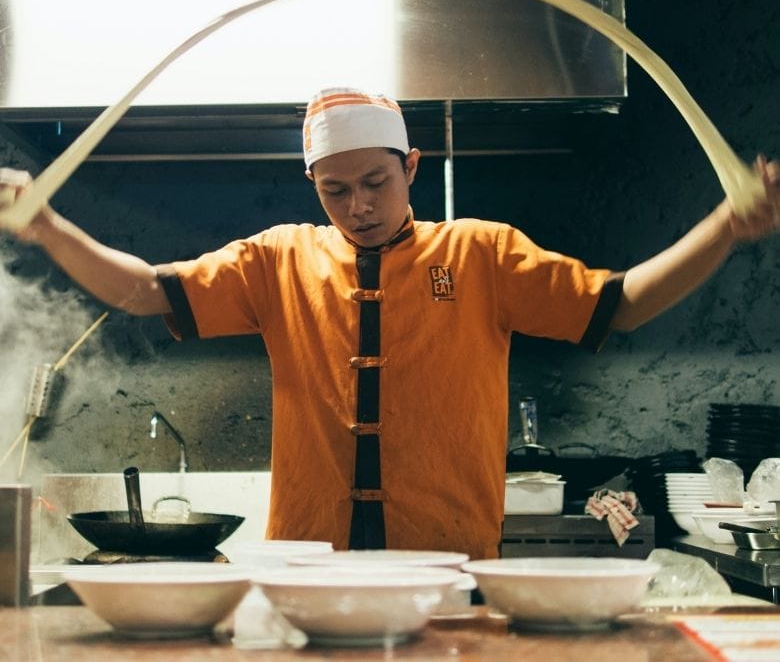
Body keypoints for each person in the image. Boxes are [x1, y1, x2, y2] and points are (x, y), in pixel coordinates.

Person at [1, 86, 779, 560]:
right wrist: (48, 229)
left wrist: (726, 228)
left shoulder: (480, 254)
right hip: (311, 565)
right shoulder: (276, 262)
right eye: (334, 190)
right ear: (312, 182)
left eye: (376, 181)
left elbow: (623, 302)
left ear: (411, 166)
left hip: (450, 565)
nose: (359, 206)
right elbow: (145, 292)